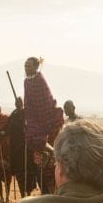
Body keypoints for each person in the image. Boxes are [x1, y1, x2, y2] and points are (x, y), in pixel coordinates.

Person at [23, 57, 59, 188]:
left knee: (38, 137)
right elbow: (27, 100)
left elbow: (45, 99)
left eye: (29, 66)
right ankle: (48, 152)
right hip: (32, 117)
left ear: (35, 67)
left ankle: (52, 151)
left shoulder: (40, 79)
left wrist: (44, 118)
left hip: (44, 116)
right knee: (30, 138)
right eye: (25, 66)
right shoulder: (26, 82)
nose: (26, 69)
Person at [5, 96, 37, 197]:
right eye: (17, 102)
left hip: (27, 148)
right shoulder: (13, 115)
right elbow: (8, 128)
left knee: (29, 171)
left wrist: (26, 126)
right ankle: (23, 194)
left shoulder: (27, 114)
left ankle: (29, 193)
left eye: (20, 102)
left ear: (23, 103)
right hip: (16, 149)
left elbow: (33, 126)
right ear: (15, 104)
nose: (18, 104)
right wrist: (2, 133)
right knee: (19, 172)